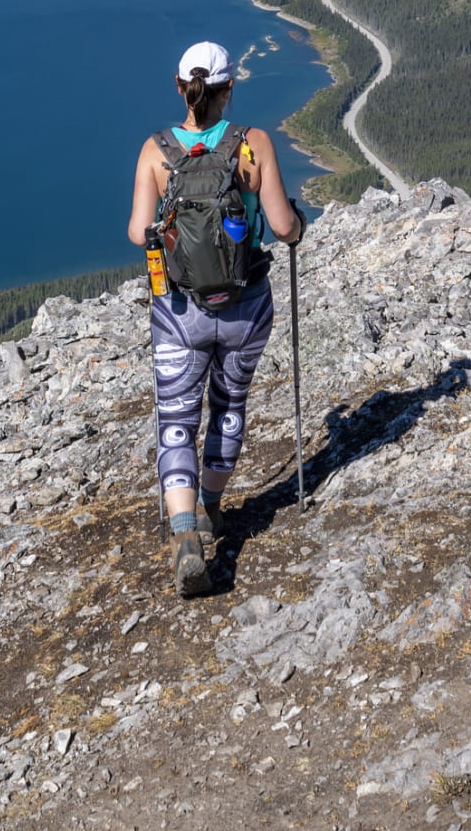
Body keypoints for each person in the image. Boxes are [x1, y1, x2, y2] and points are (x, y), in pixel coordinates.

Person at [128, 38, 306, 598]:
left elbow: (138, 233)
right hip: (246, 306)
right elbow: (281, 226)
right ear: (229, 89)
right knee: (229, 406)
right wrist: (296, 224)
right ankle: (210, 507)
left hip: (179, 310)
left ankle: (184, 538)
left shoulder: (156, 151)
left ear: (181, 89)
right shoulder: (252, 145)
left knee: (177, 417)